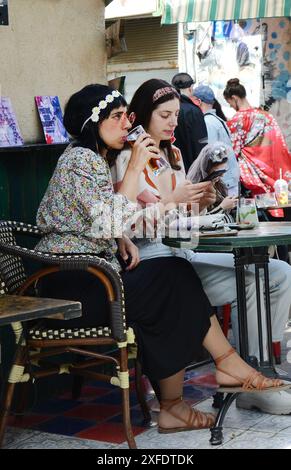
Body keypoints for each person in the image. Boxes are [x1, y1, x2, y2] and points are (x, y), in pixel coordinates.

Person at [111, 78, 291, 416]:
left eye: (176, 115)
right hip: (153, 264)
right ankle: (247, 375)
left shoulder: (173, 154)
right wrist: (175, 201)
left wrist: (205, 203)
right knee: (255, 278)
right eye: (165, 115)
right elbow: (129, 225)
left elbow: (180, 217)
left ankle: (257, 367)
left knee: (279, 272)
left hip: (184, 255)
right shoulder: (127, 158)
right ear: (144, 115)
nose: (172, 122)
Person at [223, 78, 291, 202]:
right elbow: (278, 143)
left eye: (230, 103)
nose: (231, 106)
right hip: (272, 167)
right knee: (280, 197)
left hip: (252, 173)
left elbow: (232, 151)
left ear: (234, 98)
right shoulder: (267, 116)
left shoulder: (237, 121)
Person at [192, 85, 240, 197]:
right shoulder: (218, 119)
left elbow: (211, 153)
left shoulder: (208, 122)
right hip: (231, 178)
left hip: (225, 180)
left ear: (198, 101)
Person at [187, 142, 237, 223]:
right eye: (217, 172)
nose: (222, 175)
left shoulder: (219, 184)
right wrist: (222, 207)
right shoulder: (197, 189)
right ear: (207, 168)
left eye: (223, 171)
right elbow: (196, 221)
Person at [171, 73, 208, 172]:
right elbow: (201, 143)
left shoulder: (169, 109)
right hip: (194, 169)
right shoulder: (193, 110)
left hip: (175, 167)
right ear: (190, 88)